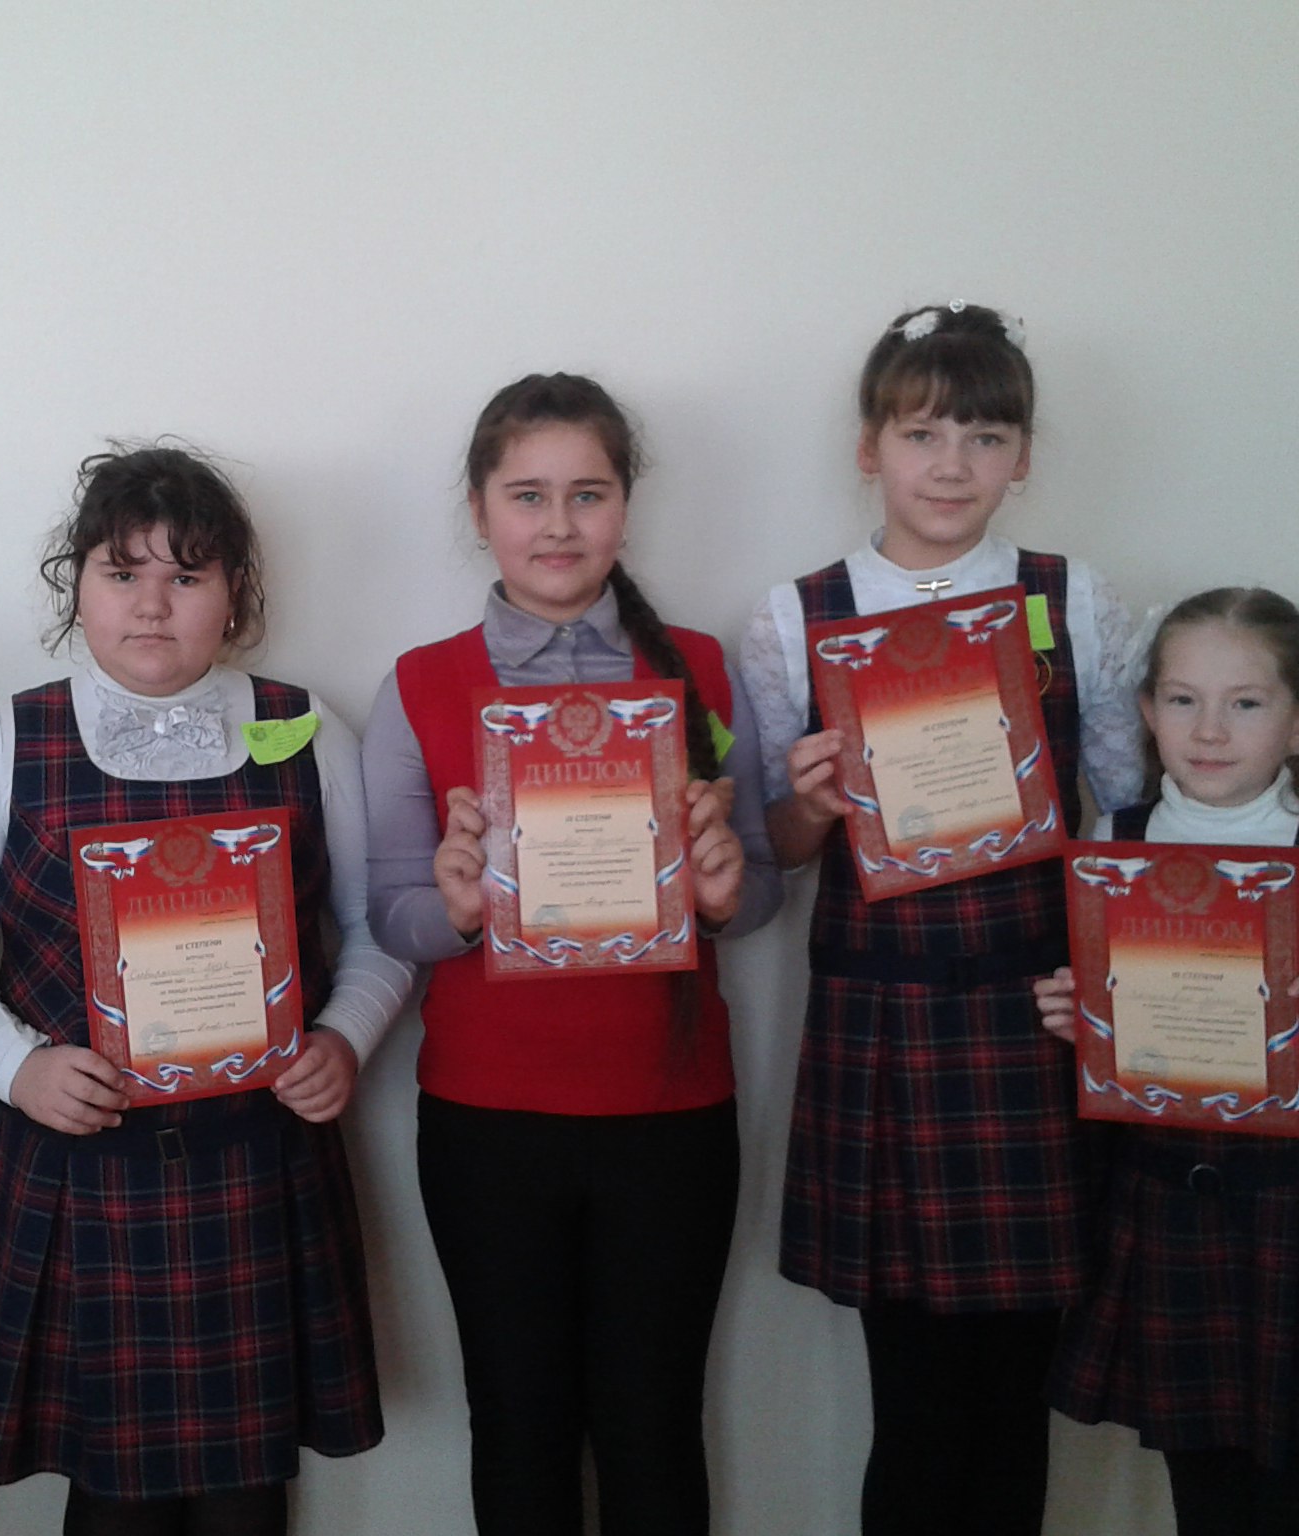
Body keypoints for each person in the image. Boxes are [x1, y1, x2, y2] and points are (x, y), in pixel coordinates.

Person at [0, 445, 415, 1536]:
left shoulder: (306, 727)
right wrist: (18, 1069)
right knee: (112, 1506)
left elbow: (378, 930)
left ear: (236, 594)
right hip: (79, 1168)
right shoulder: (10, 738)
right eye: (121, 571)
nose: (152, 604)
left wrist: (345, 1039)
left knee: (246, 1501)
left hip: (259, 1165)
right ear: (76, 585)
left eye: (187, 575)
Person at [738, 304, 1146, 1535]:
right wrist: (808, 806)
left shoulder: (1072, 598)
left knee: (1013, 1403)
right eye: (922, 434)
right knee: (911, 1406)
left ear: (1021, 456)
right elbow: (776, 853)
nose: (952, 464)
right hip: (884, 1023)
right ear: (869, 447)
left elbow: (1127, 813)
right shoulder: (795, 614)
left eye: (984, 435)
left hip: (1034, 1020)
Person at [364, 372, 782, 1536]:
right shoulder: (420, 683)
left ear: (625, 507)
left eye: (587, 494)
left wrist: (725, 894)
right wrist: (454, 909)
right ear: (479, 508)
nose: (558, 525)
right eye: (528, 495)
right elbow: (389, 913)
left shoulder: (699, 666)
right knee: (519, 1429)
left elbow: (758, 886)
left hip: (671, 1111)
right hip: (487, 1121)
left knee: (654, 1430)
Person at [1036, 587, 1299, 1535]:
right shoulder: (1115, 839)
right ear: (1147, 710)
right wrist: (1085, 1024)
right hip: (1166, 1202)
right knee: (1205, 1498)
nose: (1210, 730)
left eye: (1246, 703)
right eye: (1183, 699)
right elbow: (1128, 1026)